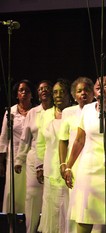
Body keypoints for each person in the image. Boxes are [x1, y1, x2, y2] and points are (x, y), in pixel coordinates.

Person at [64, 76, 106, 233]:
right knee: (85, 213)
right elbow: (79, 141)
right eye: (98, 87)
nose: (102, 89)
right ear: (94, 92)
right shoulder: (87, 110)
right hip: (88, 169)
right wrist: (68, 166)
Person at [14, 80, 53, 233]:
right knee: (32, 196)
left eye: (47, 88)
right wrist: (19, 159)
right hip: (33, 157)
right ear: (37, 93)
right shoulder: (33, 112)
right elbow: (25, 139)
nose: (44, 90)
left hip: (52, 157)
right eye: (40, 88)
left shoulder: (58, 111)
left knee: (49, 197)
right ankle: (30, 230)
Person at [58, 76, 94, 233]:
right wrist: (63, 163)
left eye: (87, 90)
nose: (83, 93)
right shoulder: (68, 112)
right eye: (79, 91)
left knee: (91, 206)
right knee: (76, 205)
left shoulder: (98, 111)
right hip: (74, 164)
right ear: (73, 95)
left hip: (92, 164)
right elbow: (63, 140)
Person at [35, 79, 72, 233]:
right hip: (50, 168)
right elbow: (40, 142)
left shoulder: (73, 113)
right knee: (51, 208)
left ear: (69, 95)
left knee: (67, 206)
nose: (58, 95)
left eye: (62, 92)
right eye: (55, 92)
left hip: (69, 167)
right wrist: (40, 165)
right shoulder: (46, 115)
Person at [0, 79, 35, 214]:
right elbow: (3, 137)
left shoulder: (36, 111)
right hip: (13, 157)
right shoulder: (10, 112)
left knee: (30, 191)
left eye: (27, 90)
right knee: (13, 191)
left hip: (31, 156)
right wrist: (1, 162)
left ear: (32, 94)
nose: (24, 93)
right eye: (21, 90)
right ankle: (11, 223)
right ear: (17, 94)